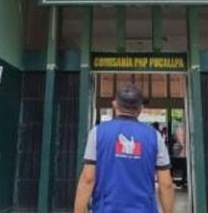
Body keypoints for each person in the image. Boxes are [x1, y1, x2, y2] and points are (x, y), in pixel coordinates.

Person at [74, 84, 174, 213]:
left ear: (115, 104)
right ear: (141, 108)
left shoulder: (97, 133)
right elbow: (166, 185)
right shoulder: (155, 137)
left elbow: (87, 179)